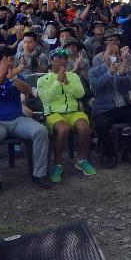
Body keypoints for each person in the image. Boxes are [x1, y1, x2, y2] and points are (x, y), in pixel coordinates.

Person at [0, 47, 52, 197]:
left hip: (17, 119)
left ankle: (39, 174)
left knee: (41, 131)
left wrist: (13, 78)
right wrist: (1, 74)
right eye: (7, 60)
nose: (11, 62)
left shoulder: (15, 76)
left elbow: (28, 91)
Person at [37, 48, 96, 184]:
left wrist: (67, 82)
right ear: (52, 61)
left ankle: (81, 160)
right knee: (63, 129)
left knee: (84, 127)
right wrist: (58, 82)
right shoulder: (43, 79)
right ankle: (57, 164)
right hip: (53, 113)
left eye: (65, 59)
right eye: (59, 59)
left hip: (73, 112)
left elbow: (80, 94)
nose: (63, 61)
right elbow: (46, 99)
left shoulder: (73, 76)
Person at [88, 44, 131, 168]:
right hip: (104, 108)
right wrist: (110, 74)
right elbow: (96, 87)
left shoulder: (123, 68)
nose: (114, 56)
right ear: (103, 55)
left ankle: (130, 151)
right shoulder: (94, 71)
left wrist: (122, 75)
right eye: (110, 53)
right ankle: (110, 154)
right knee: (101, 125)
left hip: (123, 106)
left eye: (116, 53)